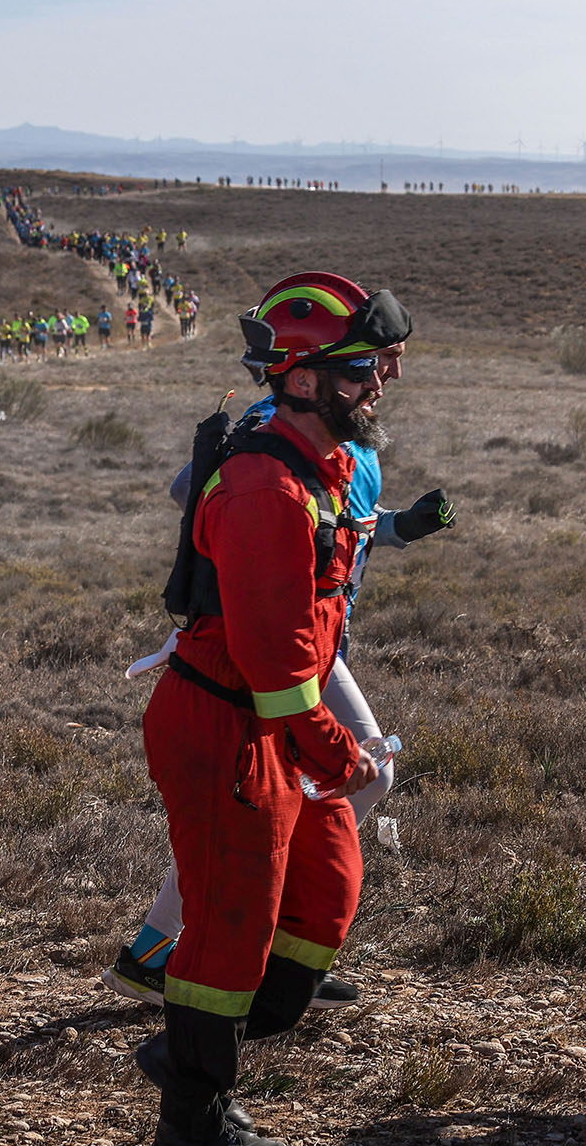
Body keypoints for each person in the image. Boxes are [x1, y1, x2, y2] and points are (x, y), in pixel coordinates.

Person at [105, 282, 443, 1013]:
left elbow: (336, 528)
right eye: (373, 363)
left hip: (306, 647)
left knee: (309, 836)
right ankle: (175, 965)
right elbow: (223, 501)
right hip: (254, 666)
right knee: (304, 811)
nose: (386, 377)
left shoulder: (345, 440)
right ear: (307, 375)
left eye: (387, 362)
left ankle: (239, 975)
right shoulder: (273, 448)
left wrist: (398, 528)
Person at [132, 273, 395, 1146]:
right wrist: (339, 752)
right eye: (360, 371)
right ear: (304, 378)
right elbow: (277, 669)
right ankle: (192, 1122)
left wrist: (325, 746)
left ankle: (192, 1049)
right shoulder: (266, 487)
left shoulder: (317, 468)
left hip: (278, 726)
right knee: (228, 926)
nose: (379, 385)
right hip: (227, 730)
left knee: (325, 896)